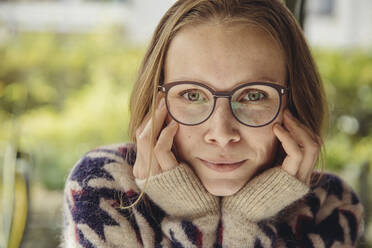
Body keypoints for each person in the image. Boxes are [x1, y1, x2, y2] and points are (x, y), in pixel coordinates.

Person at [62, 0, 364, 247]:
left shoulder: (330, 207)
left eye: (253, 95)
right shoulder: (104, 185)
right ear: (157, 100)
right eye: (192, 95)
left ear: (295, 102)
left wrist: (245, 220)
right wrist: (196, 217)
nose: (221, 133)